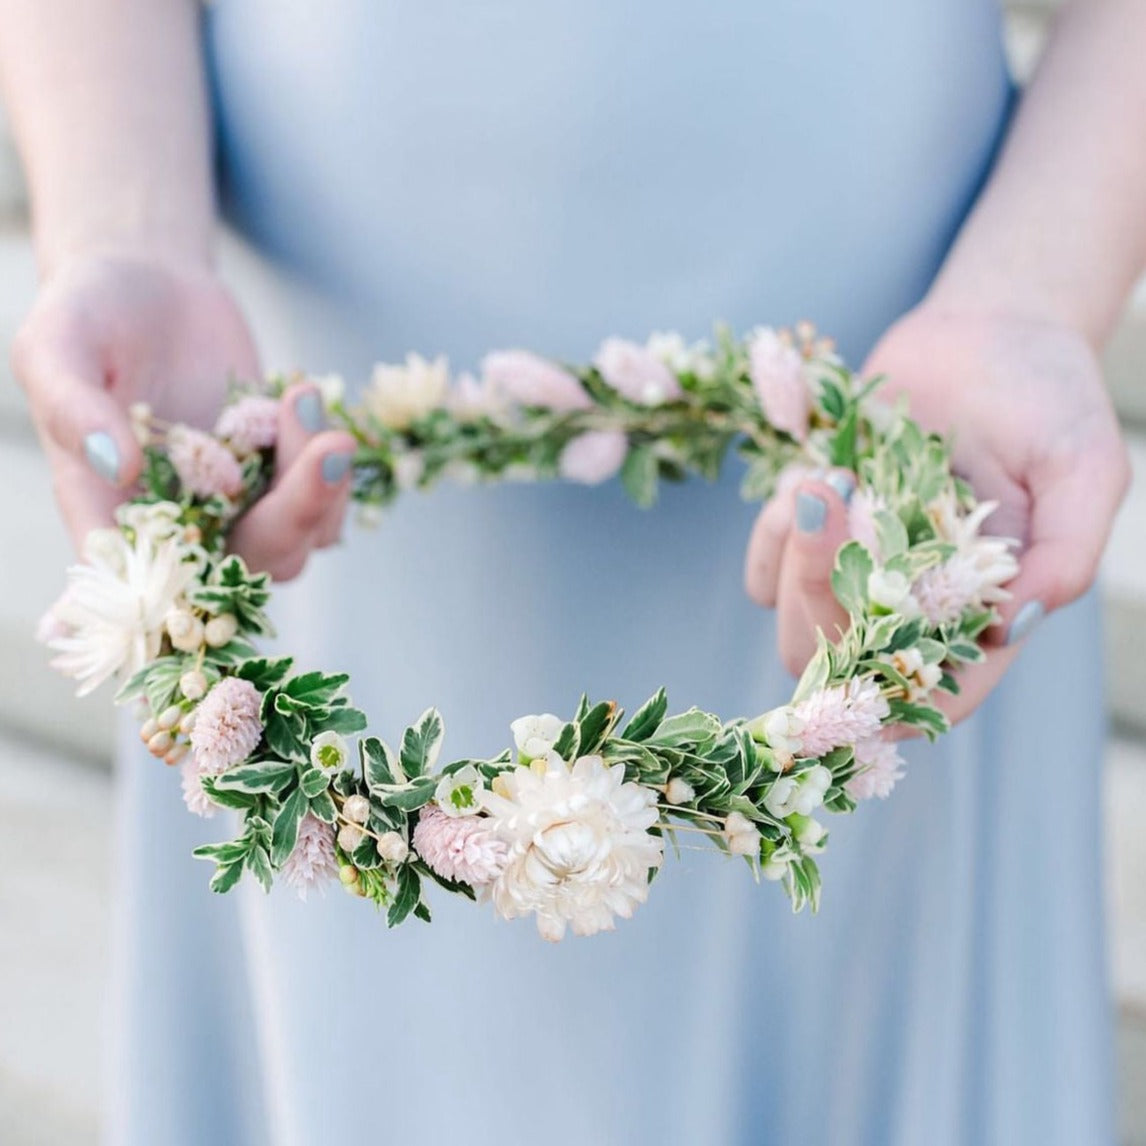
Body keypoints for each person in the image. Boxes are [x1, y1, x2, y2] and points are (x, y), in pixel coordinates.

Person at [0, 1, 1138, 1143]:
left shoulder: (939, 428)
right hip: (290, 402)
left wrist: (1030, 295)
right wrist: (126, 230)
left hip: (918, 416)